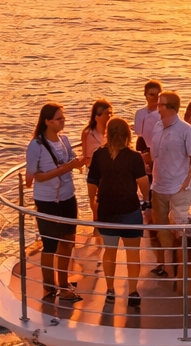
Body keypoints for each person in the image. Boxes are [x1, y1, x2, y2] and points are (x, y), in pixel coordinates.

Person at [25, 103, 87, 304]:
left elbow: (70, 161)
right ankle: (49, 286)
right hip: (47, 199)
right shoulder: (37, 145)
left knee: (69, 240)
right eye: (59, 119)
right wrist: (64, 169)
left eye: (63, 117)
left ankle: (64, 283)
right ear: (47, 121)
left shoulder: (65, 140)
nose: (63, 121)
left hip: (68, 196)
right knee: (50, 244)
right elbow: (36, 177)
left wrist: (77, 164)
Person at [86, 117, 148, 311]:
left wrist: (93, 204)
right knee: (132, 255)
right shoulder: (134, 156)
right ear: (127, 135)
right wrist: (146, 200)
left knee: (109, 253)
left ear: (108, 133)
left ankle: (111, 290)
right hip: (130, 210)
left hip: (107, 211)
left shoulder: (99, 155)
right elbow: (143, 182)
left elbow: (92, 182)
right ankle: (132, 292)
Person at [149, 90, 191, 279]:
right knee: (161, 227)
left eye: (160, 104)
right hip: (158, 186)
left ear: (171, 108)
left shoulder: (187, 130)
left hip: (179, 188)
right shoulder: (156, 127)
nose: (157, 107)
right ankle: (163, 264)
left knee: (180, 231)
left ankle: (182, 267)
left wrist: (186, 183)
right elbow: (155, 155)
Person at [133, 80, 163, 174]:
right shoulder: (139, 113)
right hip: (143, 147)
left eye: (158, 95)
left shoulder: (163, 113)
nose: (155, 98)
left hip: (160, 148)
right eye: (152, 94)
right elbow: (138, 132)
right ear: (145, 95)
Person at [81, 100, 112, 164]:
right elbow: (86, 158)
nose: (110, 116)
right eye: (106, 113)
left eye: (110, 113)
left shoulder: (113, 131)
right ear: (97, 116)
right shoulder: (88, 133)